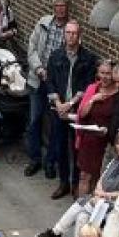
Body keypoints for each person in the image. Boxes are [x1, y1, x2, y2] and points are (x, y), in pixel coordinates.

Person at [35, 128, 119, 237]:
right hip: (102, 199)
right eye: (118, 143)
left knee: (83, 203)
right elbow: (102, 179)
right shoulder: (115, 160)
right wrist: (98, 192)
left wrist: (104, 195)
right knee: (82, 216)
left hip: (118, 205)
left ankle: (57, 231)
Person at [47, 20, 99, 199]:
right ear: (64, 35)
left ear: (79, 35)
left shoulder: (88, 59)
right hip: (59, 109)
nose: (71, 36)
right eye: (68, 33)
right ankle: (63, 183)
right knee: (60, 146)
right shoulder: (55, 56)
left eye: (74, 33)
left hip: (77, 109)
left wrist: (70, 104)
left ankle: (76, 183)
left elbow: (87, 85)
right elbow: (50, 81)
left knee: (77, 148)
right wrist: (58, 103)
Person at [25, 0, 71, 178]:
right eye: (57, 6)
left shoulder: (70, 29)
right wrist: (38, 69)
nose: (60, 9)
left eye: (63, 6)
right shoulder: (43, 23)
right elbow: (32, 48)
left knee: (54, 123)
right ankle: (34, 158)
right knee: (34, 120)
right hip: (38, 79)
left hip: (56, 84)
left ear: (68, 8)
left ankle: (50, 161)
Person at [73, 59, 118, 196]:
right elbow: (82, 113)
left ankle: (93, 205)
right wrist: (93, 100)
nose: (104, 77)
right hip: (89, 140)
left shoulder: (118, 94)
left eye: (108, 73)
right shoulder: (92, 88)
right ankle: (81, 204)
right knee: (84, 176)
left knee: (99, 178)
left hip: (105, 141)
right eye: (102, 73)